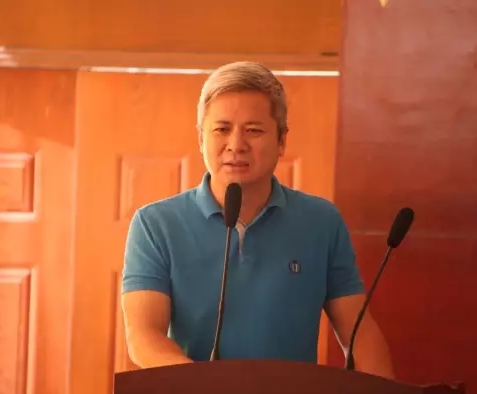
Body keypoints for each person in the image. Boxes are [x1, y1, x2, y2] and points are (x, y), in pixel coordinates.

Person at [120, 61, 394, 378]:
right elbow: (144, 336)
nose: (236, 145)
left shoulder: (321, 221)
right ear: (201, 138)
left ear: (281, 140)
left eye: (254, 130)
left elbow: (359, 333)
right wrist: (205, 391)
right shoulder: (155, 224)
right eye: (222, 129)